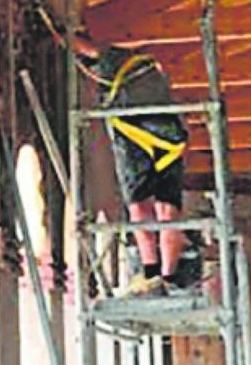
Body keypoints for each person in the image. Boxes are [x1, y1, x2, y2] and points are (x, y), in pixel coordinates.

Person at [69, 30, 189, 298]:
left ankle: (152, 273)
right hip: (167, 139)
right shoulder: (149, 71)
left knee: (140, 208)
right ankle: (166, 276)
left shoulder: (115, 58)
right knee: (166, 210)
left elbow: (88, 49)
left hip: (136, 139)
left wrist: (57, 32)